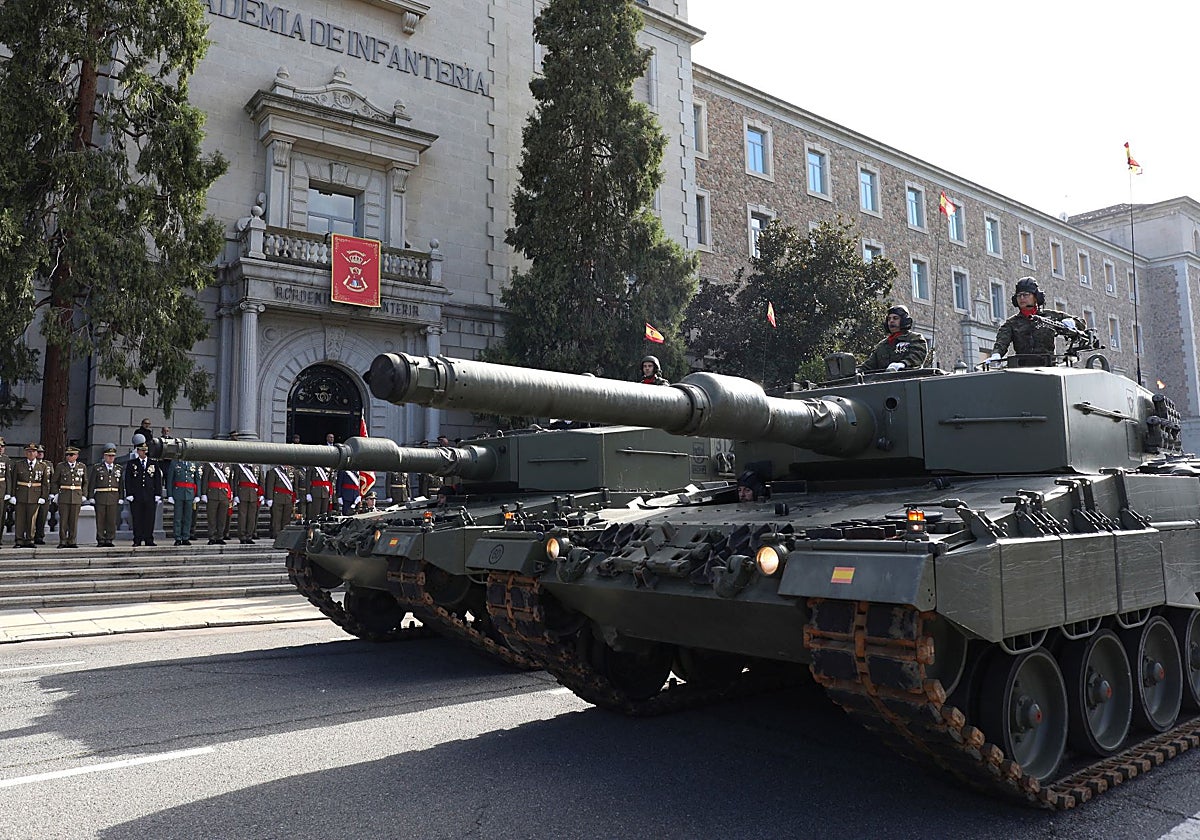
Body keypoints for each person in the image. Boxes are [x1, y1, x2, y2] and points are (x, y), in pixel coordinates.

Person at [988, 277, 1082, 368]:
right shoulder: (1011, 323)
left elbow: (1081, 323)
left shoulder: (1050, 317)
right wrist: (996, 355)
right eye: (1019, 295)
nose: (1022, 298)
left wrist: (1072, 322)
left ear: (1036, 297)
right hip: (1023, 370)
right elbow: (1001, 343)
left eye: (1026, 295)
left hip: (1049, 368)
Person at [859, 305, 928, 373]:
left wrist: (903, 364)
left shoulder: (915, 338)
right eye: (889, 319)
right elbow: (869, 366)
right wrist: (855, 371)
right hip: (885, 381)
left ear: (904, 321)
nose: (891, 321)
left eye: (895, 318)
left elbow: (917, 356)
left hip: (909, 379)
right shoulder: (882, 346)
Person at [122, 442, 161, 546]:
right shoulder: (132, 463)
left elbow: (157, 479)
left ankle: (149, 538)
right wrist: (129, 493)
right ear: (138, 451)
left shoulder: (153, 463)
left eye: (145, 451)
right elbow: (128, 479)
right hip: (137, 495)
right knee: (137, 518)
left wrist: (158, 493)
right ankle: (137, 539)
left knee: (149, 518)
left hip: (150, 495)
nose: (144, 452)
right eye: (142, 450)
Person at [50, 446, 88, 549]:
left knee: (73, 520)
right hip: (64, 495)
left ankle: (72, 540)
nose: (69, 457)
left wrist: (84, 494)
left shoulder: (82, 466)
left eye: (71, 455)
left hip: (76, 495)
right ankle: (63, 540)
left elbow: (85, 482)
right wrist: (55, 493)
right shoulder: (61, 466)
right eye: (67, 455)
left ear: (76, 456)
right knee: (63, 520)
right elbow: (54, 481)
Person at [11, 444, 46, 548]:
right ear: (26, 453)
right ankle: (19, 540)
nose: (31, 453)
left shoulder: (42, 466)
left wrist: (43, 496)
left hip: (35, 495)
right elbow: (14, 481)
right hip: (21, 494)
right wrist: (13, 495)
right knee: (20, 518)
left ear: (36, 453)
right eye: (29, 451)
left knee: (32, 519)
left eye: (33, 451)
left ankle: (30, 539)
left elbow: (45, 483)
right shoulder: (18, 465)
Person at [88, 445, 123, 547]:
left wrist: (121, 497)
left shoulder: (118, 468)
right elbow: (92, 483)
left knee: (111, 520)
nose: (110, 458)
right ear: (104, 456)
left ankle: (109, 539)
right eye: (108, 456)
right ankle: (100, 539)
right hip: (101, 496)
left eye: (112, 456)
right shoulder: (98, 468)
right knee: (101, 519)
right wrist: (91, 496)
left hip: (113, 496)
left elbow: (121, 484)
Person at [165, 457, 202, 546]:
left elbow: (197, 480)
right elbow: (170, 479)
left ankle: (186, 536)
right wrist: (169, 494)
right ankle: (178, 537)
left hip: (190, 493)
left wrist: (198, 494)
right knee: (178, 517)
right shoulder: (175, 463)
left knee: (188, 517)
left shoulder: (194, 463)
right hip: (178, 492)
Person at [200, 460, 232, 545]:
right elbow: (205, 480)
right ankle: (211, 537)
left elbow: (230, 480)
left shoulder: (228, 465)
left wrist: (232, 493)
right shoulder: (209, 465)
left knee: (222, 518)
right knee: (212, 518)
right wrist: (204, 493)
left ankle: (220, 536)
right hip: (212, 494)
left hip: (224, 495)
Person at [265, 463, 298, 537]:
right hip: (277, 497)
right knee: (277, 518)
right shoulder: (274, 472)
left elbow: (295, 486)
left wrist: (296, 496)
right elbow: (270, 486)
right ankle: (276, 534)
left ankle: (285, 534)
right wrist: (269, 498)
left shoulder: (292, 472)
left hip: (288, 498)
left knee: (286, 518)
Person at [233, 461, 263, 544]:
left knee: (251, 517)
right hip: (242, 494)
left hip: (254, 495)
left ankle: (249, 535)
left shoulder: (257, 466)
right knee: (242, 517)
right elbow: (235, 481)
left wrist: (261, 493)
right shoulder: (239, 467)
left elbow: (261, 480)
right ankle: (242, 536)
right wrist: (235, 495)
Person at [0, 436, 9, 547]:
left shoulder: (6, 460)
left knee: (1, 517)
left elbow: (8, 477)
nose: (1, 448)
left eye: (2, 446)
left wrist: (8, 492)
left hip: (1, 491)